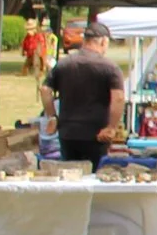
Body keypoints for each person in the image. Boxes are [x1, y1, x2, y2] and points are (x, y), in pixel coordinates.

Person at [39, 22, 126, 165]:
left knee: (70, 175)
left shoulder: (63, 64)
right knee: (93, 177)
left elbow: (45, 90)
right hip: (97, 134)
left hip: (68, 132)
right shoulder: (110, 67)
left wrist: (52, 116)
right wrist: (111, 127)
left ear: (84, 40)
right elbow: (118, 98)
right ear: (104, 42)